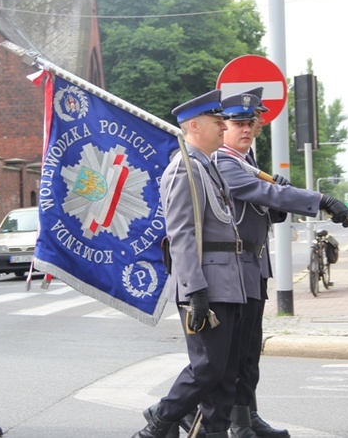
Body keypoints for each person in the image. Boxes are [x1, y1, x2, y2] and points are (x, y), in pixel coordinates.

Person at [213, 92, 348, 438]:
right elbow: (265, 196)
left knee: (251, 350)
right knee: (232, 352)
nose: (246, 129)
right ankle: (219, 419)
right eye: (238, 123)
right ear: (223, 127)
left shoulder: (249, 163)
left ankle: (248, 416)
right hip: (233, 269)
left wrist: (281, 199)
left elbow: (270, 210)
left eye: (251, 123)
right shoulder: (224, 163)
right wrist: (320, 200)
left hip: (254, 265)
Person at [133, 89, 246, 438]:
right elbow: (181, 233)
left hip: (229, 282)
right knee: (207, 367)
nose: (223, 127)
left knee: (225, 373)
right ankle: (160, 421)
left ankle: (213, 432)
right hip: (206, 285)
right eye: (217, 122)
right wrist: (196, 291)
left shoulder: (208, 167)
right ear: (194, 125)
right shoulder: (184, 169)